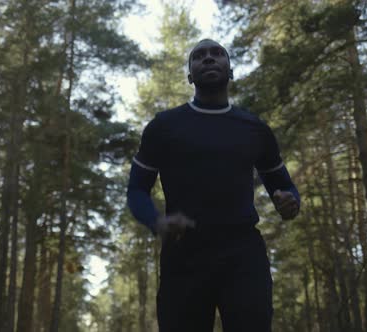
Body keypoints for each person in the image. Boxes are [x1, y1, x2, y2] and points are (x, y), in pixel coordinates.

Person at [126, 39, 300, 332]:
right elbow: (136, 189)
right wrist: (157, 221)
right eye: (199, 56)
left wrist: (289, 203)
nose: (208, 58)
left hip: (244, 256)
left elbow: (284, 188)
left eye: (217, 54)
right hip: (183, 257)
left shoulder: (255, 129)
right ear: (190, 76)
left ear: (230, 71)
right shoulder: (164, 127)